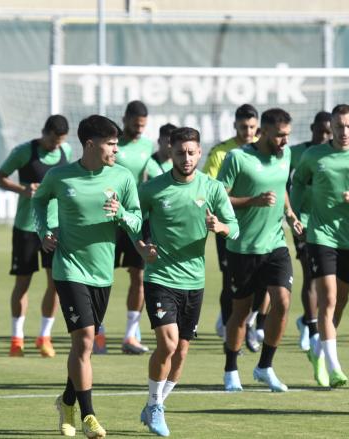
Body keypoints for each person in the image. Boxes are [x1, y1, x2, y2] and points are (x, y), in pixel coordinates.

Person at [33, 115, 142, 438]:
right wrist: (45, 231)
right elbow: (39, 202)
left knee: (85, 345)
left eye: (117, 144)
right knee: (84, 338)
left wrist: (121, 214)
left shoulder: (122, 178)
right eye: (110, 144)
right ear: (91, 145)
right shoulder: (60, 176)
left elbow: (136, 220)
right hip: (68, 268)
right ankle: (89, 415)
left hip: (102, 272)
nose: (116, 150)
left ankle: (66, 402)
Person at [134, 127, 238, 436]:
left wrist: (219, 226)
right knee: (166, 343)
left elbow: (234, 228)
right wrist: (141, 245)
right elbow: (132, 220)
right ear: (171, 151)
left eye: (192, 152)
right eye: (181, 153)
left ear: (200, 152)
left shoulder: (213, 188)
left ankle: (155, 405)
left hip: (194, 281)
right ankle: (155, 405)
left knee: (181, 352)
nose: (187, 158)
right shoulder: (153, 189)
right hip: (160, 277)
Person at [291, 104, 349, 387]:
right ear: (330, 126)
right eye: (339, 126)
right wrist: (297, 216)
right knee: (328, 299)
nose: (344, 131)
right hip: (320, 236)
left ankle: (318, 352)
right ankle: (334, 367)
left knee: (340, 302)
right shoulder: (313, 156)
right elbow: (298, 184)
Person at [218, 108, 303, 392]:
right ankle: (231, 368)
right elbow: (219, 199)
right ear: (262, 132)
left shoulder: (286, 156)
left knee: (283, 301)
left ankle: (265, 366)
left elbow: (281, 189)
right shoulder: (237, 157)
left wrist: (290, 214)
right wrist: (252, 201)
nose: (284, 141)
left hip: (276, 244)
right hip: (242, 247)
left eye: (287, 135)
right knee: (240, 312)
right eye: (279, 135)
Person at [0, 115, 72, 357]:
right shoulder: (24, 151)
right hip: (27, 227)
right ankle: (17, 339)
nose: (56, 146)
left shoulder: (65, 151)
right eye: (53, 140)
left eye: (60, 142)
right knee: (23, 283)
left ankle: (44, 337)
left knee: (56, 284)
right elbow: (0, 178)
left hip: (55, 228)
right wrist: (23, 189)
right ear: (44, 132)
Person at [202, 104, 262, 350]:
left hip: (258, 226)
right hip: (228, 226)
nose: (248, 132)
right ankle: (230, 325)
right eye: (243, 127)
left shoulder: (263, 149)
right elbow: (212, 190)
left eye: (251, 127)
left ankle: (250, 323)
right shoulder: (221, 153)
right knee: (230, 279)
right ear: (235, 126)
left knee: (261, 280)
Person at [289, 111, 333, 351]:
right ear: (312, 128)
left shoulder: (334, 155)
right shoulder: (295, 153)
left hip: (328, 224)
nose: (325, 136)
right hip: (303, 222)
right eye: (321, 130)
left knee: (324, 279)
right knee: (310, 273)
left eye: (329, 132)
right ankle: (313, 327)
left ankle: (307, 321)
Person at [114, 100, 153, 354]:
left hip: (135, 219)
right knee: (100, 276)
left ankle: (130, 336)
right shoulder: (112, 143)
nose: (139, 130)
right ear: (125, 119)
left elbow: (148, 178)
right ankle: (98, 333)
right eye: (136, 124)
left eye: (143, 126)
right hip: (109, 218)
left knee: (138, 276)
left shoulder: (148, 147)